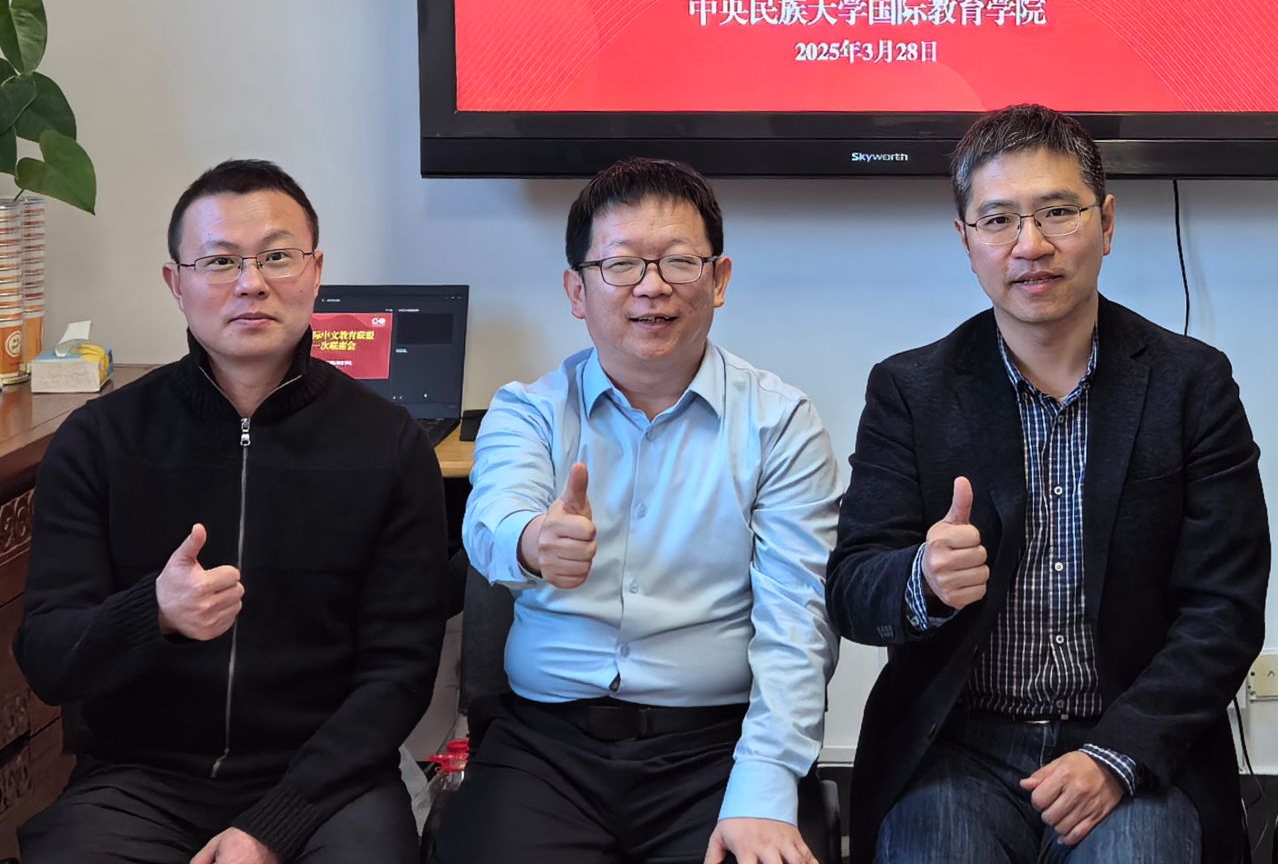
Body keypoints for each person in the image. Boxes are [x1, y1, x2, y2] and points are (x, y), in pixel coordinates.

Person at [827, 103, 1270, 864]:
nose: (1030, 244)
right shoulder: (911, 390)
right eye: (998, 219)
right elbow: (852, 587)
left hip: (1130, 740)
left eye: (1058, 212)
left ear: (1107, 222)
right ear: (966, 240)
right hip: (956, 746)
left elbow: (1224, 609)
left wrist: (1117, 755)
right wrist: (922, 579)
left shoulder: (1191, 384)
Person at [14, 159, 447, 863]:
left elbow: (399, 673)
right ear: (175, 283)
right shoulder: (100, 440)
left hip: (326, 780)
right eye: (219, 261)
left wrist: (271, 825)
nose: (251, 282)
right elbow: (47, 659)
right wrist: (152, 612)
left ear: (315, 271)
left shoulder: (389, 445)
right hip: (140, 779)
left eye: (277, 256)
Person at [440, 156, 838, 864]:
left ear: (719, 280)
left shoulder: (779, 421)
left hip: (718, 746)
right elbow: (492, 518)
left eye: (679, 261)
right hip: (545, 747)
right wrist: (533, 541)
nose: (652, 287)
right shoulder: (528, 411)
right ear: (577, 289)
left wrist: (764, 788)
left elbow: (799, 622)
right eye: (621, 264)